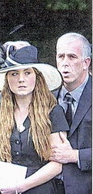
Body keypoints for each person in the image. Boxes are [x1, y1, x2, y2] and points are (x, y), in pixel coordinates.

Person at [0, 45, 67, 193]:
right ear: (7, 79)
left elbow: (57, 165)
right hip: (6, 187)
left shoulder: (52, 111)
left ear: (37, 77)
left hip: (42, 189)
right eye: (14, 74)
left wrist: (20, 187)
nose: (21, 79)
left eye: (27, 73)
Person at [50, 32, 91, 194]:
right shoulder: (46, 96)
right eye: (61, 57)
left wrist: (75, 156)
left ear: (86, 62)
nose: (65, 63)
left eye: (72, 57)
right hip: (47, 186)